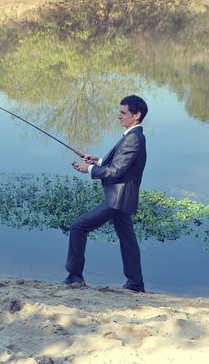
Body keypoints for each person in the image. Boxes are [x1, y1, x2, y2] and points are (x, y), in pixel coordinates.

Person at [65, 95, 148, 292]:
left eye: (123, 113)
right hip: (122, 197)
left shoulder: (134, 138)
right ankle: (135, 283)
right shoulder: (132, 136)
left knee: (78, 226)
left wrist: (90, 170)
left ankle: (75, 276)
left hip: (117, 199)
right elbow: (121, 164)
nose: (119, 116)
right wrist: (98, 161)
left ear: (136, 115)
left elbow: (117, 170)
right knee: (128, 241)